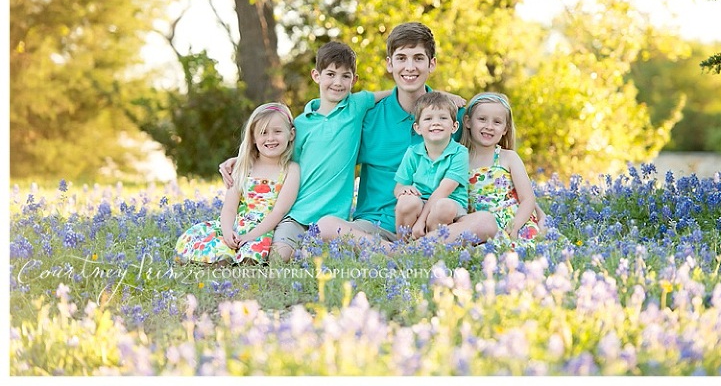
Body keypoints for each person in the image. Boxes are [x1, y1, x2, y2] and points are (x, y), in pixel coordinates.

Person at [318, 22, 498, 247]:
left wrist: (532, 206)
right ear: (389, 64)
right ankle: (409, 254)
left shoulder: (455, 116)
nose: (410, 67)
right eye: (401, 58)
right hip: (375, 227)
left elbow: (495, 162)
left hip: (437, 226)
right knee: (325, 226)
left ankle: (408, 251)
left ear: (431, 64)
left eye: (418, 58)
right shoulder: (368, 117)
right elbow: (324, 134)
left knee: (487, 223)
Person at [220, 41, 391, 261]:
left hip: (332, 219)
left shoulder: (356, 106)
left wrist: (433, 95)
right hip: (296, 214)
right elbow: (276, 152)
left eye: (345, 76)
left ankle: (311, 253)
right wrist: (242, 158)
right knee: (278, 258)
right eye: (330, 74)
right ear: (316, 75)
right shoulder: (300, 125)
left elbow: (396, 94)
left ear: (354, 80)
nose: (337, 82)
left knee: (317, 258)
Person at [175, 102, 300, 264]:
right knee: (212, 243)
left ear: (291, 135)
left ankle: (236, 263)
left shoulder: (291, 169)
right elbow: (229, 207)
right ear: (253, 137)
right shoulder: (244, 166)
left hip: (264, 229)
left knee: (251, 255)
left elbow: (279, 212)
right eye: (263, 132)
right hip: (237, 226)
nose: (270, 138)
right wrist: (227, 231)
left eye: (277, 131)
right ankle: (217, 262)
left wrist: (250, 236)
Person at [460, 92, 546, 247]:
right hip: (481, 229)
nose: (489, 126)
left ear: (505, 129)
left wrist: (514, 226)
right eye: (482, 119)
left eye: (497, 122)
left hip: (515, 224)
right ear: (468, 121)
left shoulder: (508, 158)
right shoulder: (459, 161)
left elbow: (528, 199)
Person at [393, 92, 469, 240]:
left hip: (450, 207)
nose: (436, 123)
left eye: (443, 118)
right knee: (406, 201)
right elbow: (398, 188)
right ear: (418, 128)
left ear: (454, 127)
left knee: (443, 206)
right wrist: (403, 190)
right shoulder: (413, 153)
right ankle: (404, 247)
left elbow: (443, 192)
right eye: (428, 118)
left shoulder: (460, 153)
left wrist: (421, 222)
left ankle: (432, 247)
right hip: (421, 203)